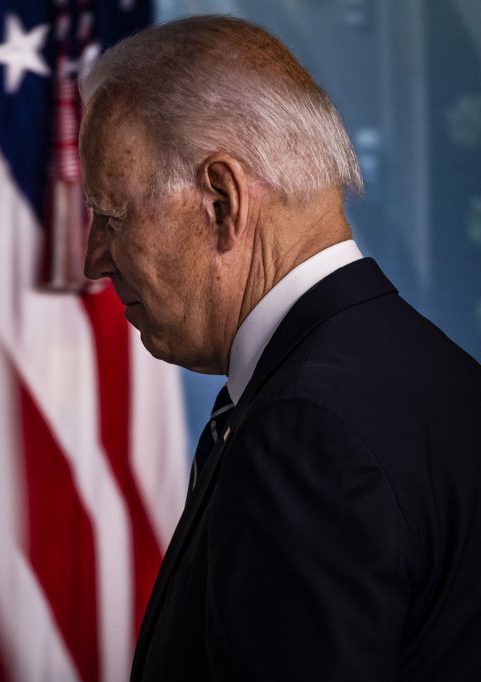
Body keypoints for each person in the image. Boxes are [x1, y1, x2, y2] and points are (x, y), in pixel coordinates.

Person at [79, 15, 481, 681]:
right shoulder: (438, 375)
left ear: (222, 201)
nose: (94, 259)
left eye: (113, 217)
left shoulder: (304, 433)